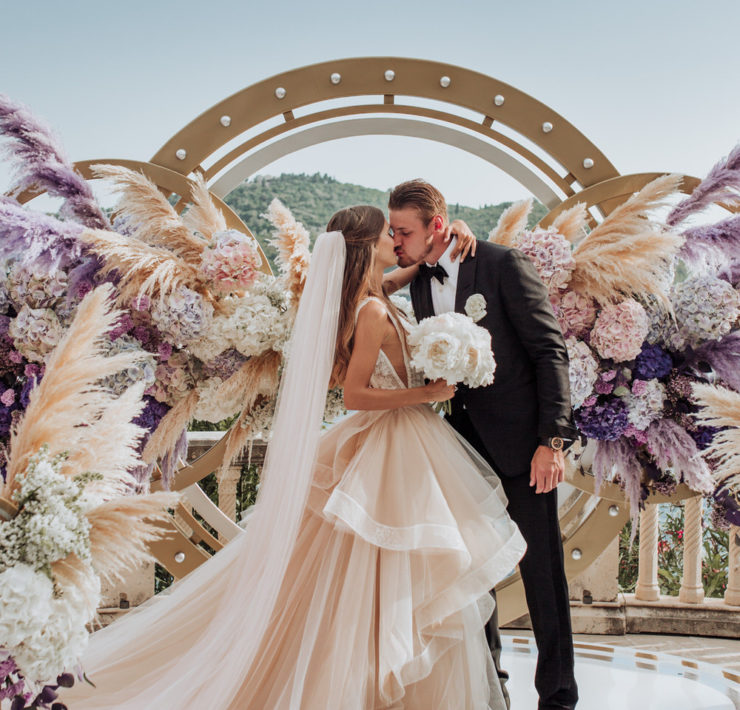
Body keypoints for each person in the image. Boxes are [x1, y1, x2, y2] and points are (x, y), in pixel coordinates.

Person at [62, 205, 525, 709]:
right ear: (367, 247)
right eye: (387, 235)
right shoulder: (371, 310)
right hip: (393, 436)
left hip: (402, 440)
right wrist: (425, 395)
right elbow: (353, 395)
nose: (396, 239)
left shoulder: (375, 296)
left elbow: (404, 274)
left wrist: (448, 240)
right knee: (383, 569)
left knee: (390, 568)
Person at [388, 180, 580, 710]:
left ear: (437, 226)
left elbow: (549, 352)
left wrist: (552, 441)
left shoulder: (502, 265)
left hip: (523, 446)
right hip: (460, 448)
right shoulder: (420, 282)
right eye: (393, 231)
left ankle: (559, 697)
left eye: (404, 231)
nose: (396, 240)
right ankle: (490, 685)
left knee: (541, 570)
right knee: (474, 571)